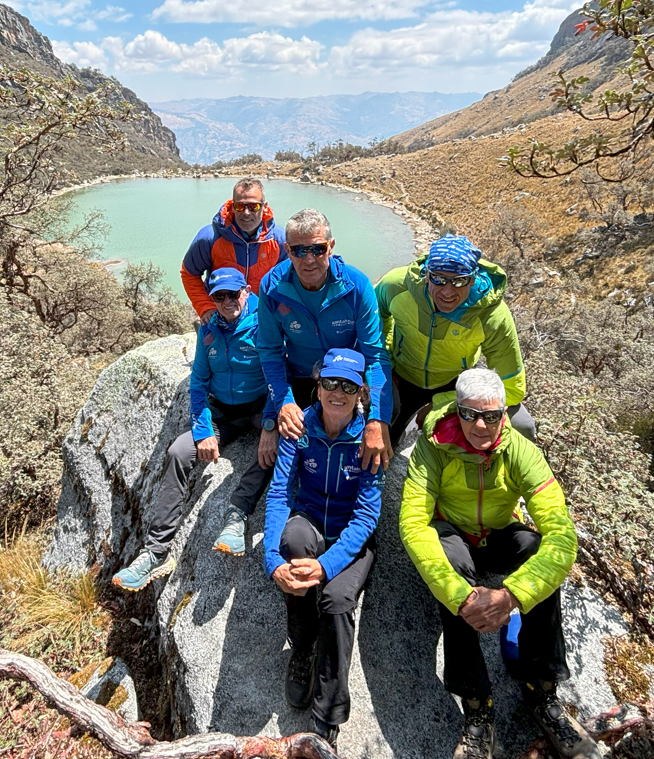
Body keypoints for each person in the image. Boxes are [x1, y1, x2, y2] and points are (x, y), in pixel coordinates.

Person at [399, 368, 598, 759]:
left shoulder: (521, 451)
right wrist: (461, 597)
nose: (480, 424)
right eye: (469, 414)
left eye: (491, 415)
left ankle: (541, 689)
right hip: (453, 531)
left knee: (534, 544)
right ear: (456, 411)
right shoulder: (433, 446)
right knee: (450, 561)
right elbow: (413, 523)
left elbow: (561, 535)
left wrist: (512, 596)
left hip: (497, 532)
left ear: (504, 415)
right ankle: (477, 705)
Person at [112, 269, 280, 591]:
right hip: (224, 412)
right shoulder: (209, 332)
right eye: (220, 296)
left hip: (260, 407)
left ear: (246, 291)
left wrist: (271, 424)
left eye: (233, 294)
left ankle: (236, 515)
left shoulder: (265, 324)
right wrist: (203, 431)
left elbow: (277, 376)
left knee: (284, 439)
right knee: (178, 451)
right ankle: (155, 552)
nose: (228, 301)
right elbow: (199, 384)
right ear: (212, 298)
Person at [263, 348, 383, 749]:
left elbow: (367, 517)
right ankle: (302, 647)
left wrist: (327, 566)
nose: (337, 392)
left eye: (347, 385)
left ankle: (326, 714)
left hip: (352, 539)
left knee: (335, 600)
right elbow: (279, 492)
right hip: (312, 522)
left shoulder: (368, 441)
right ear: (317, 388)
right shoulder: (300, 430)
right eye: (330, 382)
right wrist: (272, 559)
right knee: (294, 541)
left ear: (360, 393)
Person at [256, 208, 394, 474]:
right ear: (287, 250)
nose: (309, 259)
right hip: (301, 377)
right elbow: (270, 351)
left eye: (317, 249)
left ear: (330, 247)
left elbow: (375, 356)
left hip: (349, 378)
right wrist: (282, 404)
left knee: (388, 413)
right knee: (276, 450)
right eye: (299, 250)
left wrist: (378, 420)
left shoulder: (356, 285)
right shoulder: (271, 287)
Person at [376, 234, 536, 446]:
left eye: (460, 281)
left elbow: (512, 388)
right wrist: (386, 364)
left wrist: (444, 403)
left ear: (472, 279)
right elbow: (376, 320)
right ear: (426, 274)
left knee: (523, 426)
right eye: (438, 279)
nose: (447, 292)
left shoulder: (491, 314)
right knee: (383, 439)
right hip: (402, 375)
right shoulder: (396, 286)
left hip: (455, 383)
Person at [181, 176, 287, 322]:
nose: (246, 213)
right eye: (240, 206)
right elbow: (189, 274)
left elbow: (290, 279)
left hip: (262, 316)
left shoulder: (280, 241)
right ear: (232, 206)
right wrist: (205, 307)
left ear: (264, 207)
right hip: (221, 315)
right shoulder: (209, 238)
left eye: (253, 206)